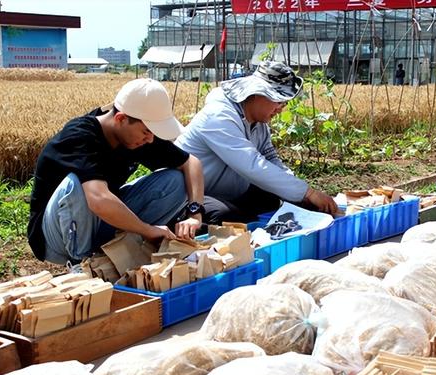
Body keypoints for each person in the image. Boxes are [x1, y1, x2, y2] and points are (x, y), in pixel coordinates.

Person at [28, 78, 204, 265]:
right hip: (54, 238)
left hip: (97, 222)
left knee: (175, 180)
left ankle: (118, 251)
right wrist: (147, 230)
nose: (150, 140)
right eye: (146, 132)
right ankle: (83, 264)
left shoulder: (136, 134)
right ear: (121, 119)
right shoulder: (80, 136)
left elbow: (191, 163)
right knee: (77, 184)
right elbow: (99, 200)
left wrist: (195, 213)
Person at [176, 61, 338, 224]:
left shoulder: (258, 123)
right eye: (278, 100)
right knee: (225, 217)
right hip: (190, 195)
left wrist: (302, 192)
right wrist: (308, 193)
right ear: (255, 93)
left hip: (224, 192)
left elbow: (270, 158)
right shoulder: (218, 116)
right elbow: (252, 165)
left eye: (285, 103)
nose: (281, 108)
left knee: (273, 198)